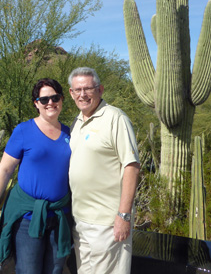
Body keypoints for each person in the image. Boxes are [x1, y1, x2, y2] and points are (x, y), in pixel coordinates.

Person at [0, 78, 72, 274]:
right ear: (36, 104)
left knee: (55, 271)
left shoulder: (70, 132)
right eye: (44, 99)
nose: (50, 102)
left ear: (61, 99)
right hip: (27, 218)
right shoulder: (23, 131)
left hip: (60, 216)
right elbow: (4, 170)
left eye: (55, 97)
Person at [67, 67, 140, 274]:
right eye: (78, 90)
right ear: (71, 93)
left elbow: (131, 166)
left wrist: (123, 216)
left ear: (100, 90)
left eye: (88, 89)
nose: (83, 94)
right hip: (81, 221)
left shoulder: (115, 118)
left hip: (108, 224)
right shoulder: (77, 122)